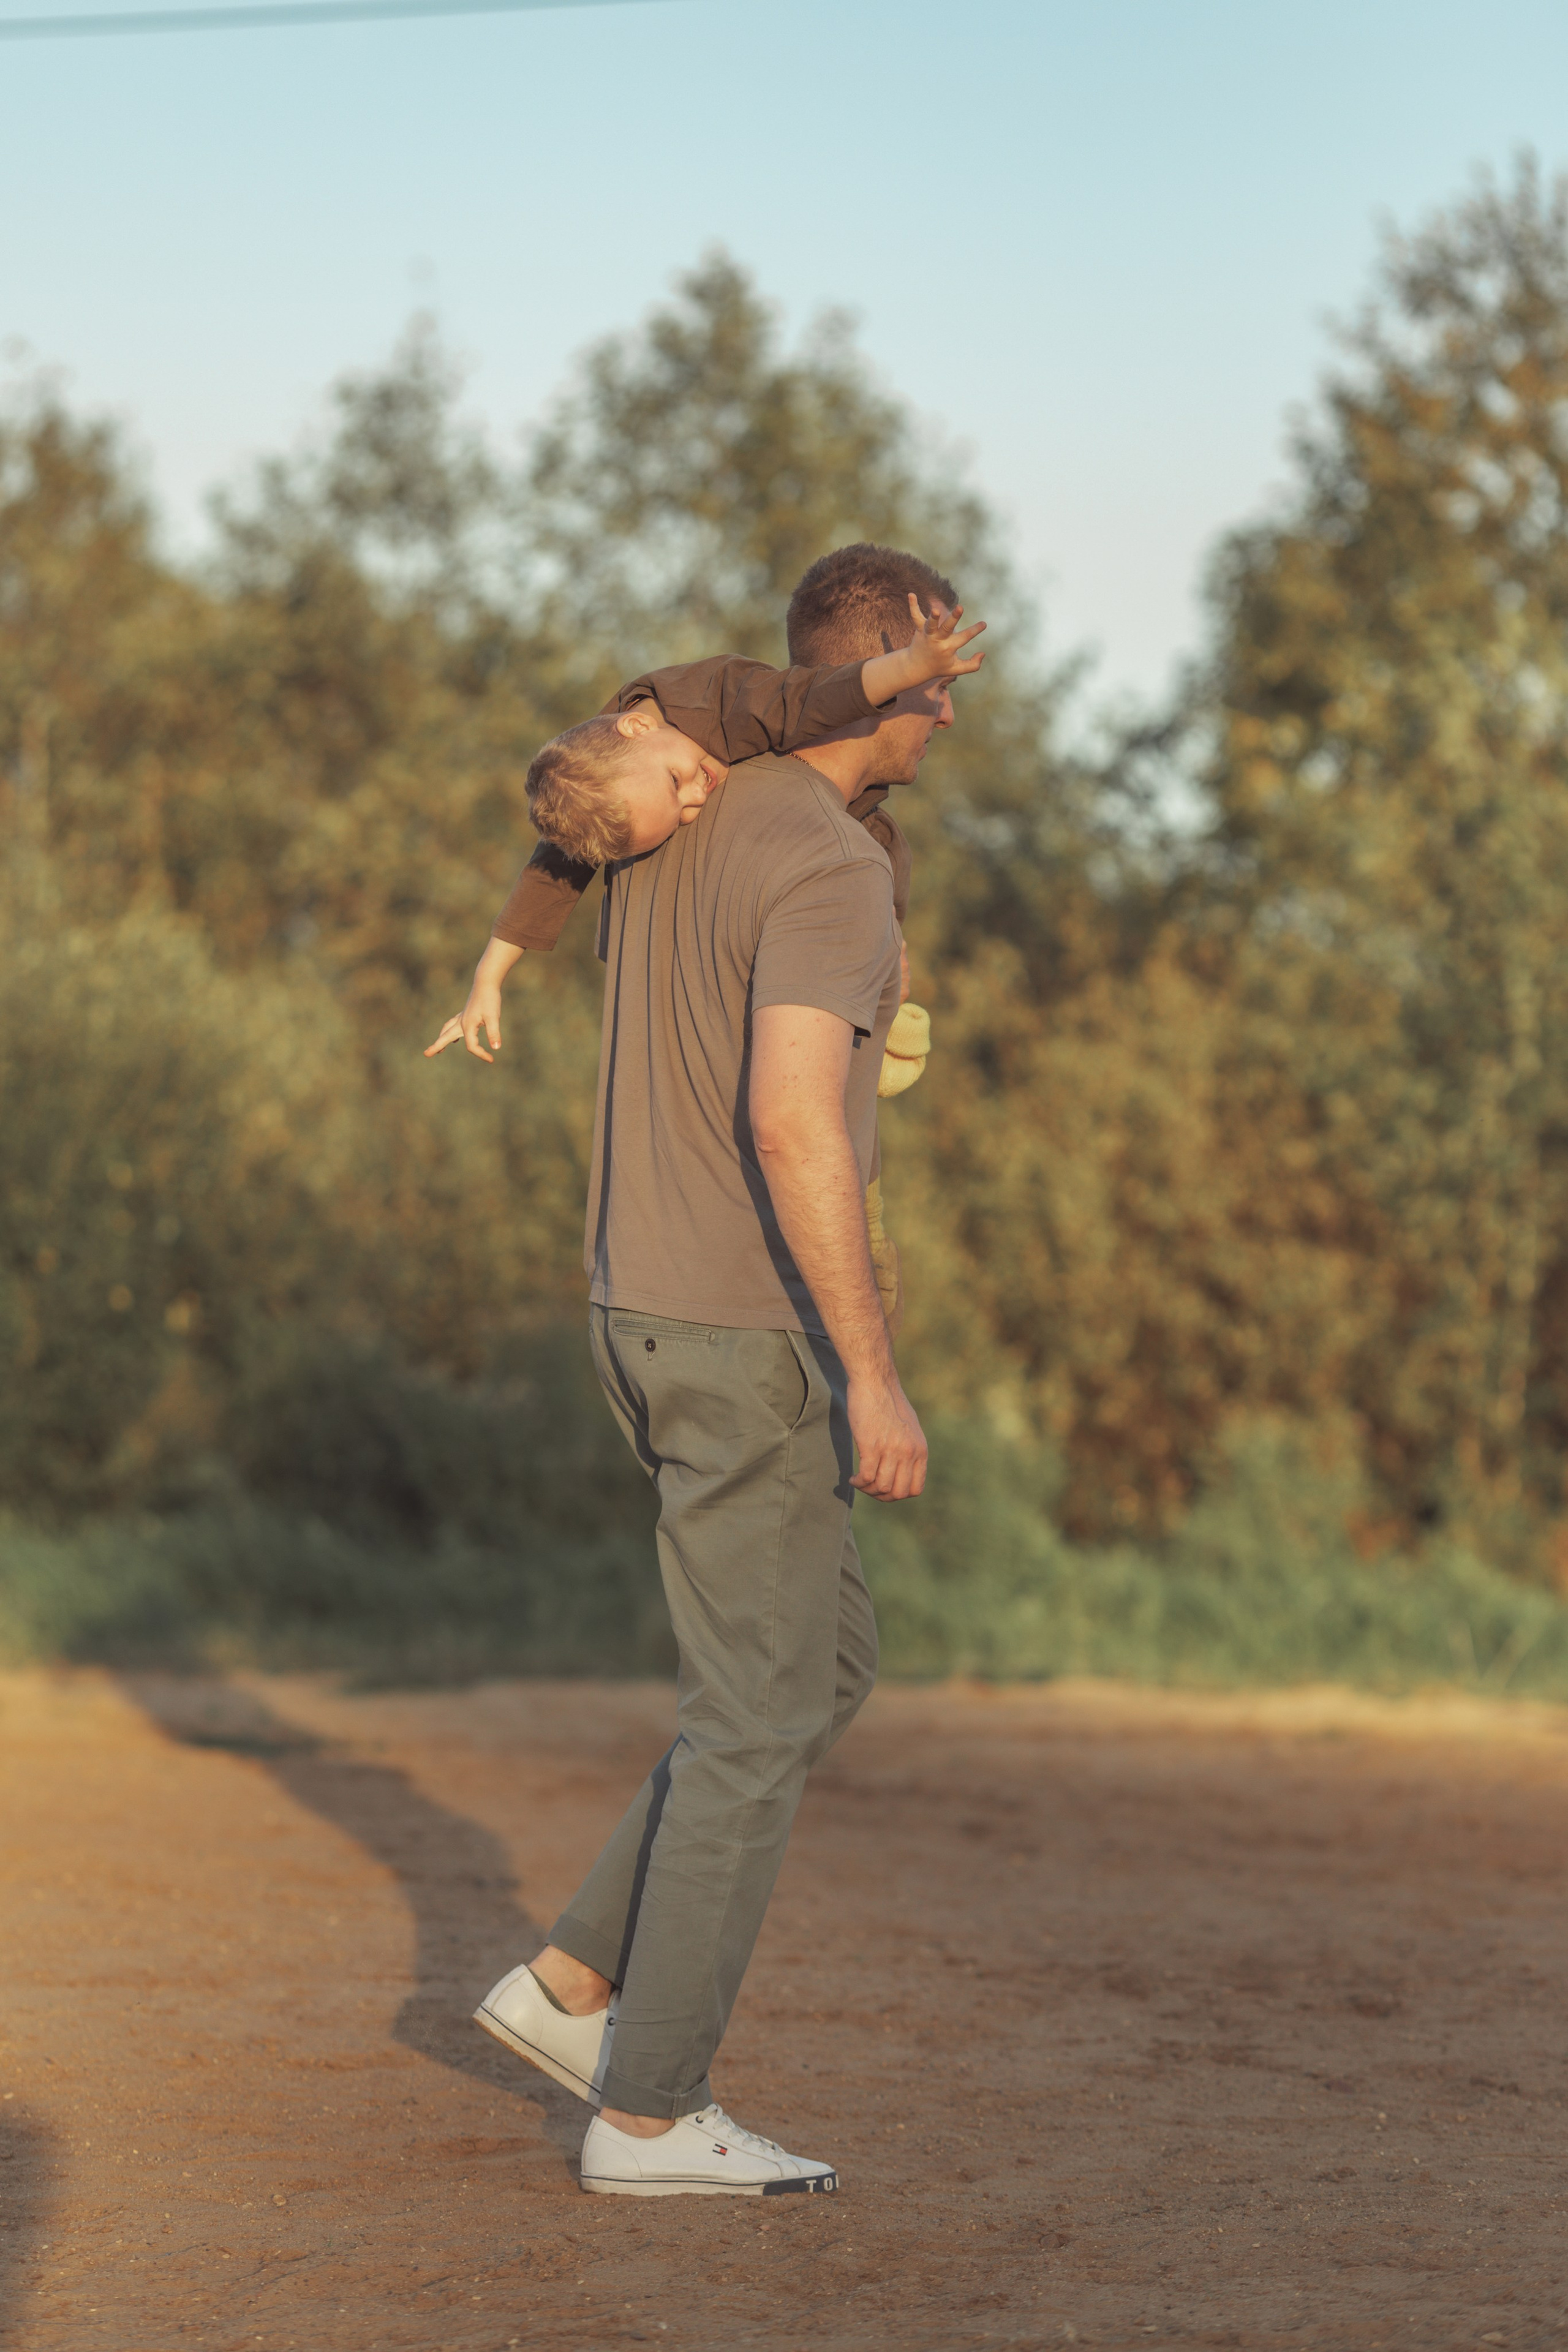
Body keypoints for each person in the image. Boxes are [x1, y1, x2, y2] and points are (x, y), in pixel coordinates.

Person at [457, 543, 977, 2196]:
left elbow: (563, 877)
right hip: (745, 1328)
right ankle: (649, 2115)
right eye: (933, 672)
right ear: (873, 664)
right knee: (755, 1719)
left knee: (812, 1670)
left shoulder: (680, 807)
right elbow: (786, 1119)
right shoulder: (822, 856)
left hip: (645, 1309)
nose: (947, 705)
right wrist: (873, 1372)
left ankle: (571, 1988)